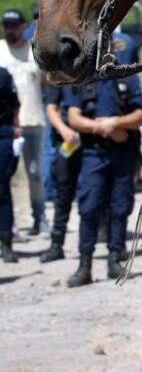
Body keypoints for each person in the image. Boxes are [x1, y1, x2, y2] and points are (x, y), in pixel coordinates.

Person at [61, 74, 142, 286]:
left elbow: (141, 116)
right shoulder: (82, 77)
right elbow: (73, 117)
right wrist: (104, 129)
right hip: (94, 153)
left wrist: (115, 122)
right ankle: (85, 265)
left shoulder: (127, 76)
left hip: (124, 152)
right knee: (89, 207)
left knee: (120, 207)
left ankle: (114, 259)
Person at [0, 8, 46, 235]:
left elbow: (48, 82)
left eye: (13, 26)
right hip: (6, 126)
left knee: (35, 173)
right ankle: (9, 224)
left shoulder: (33, 50)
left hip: (32, 120)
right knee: (5, 177)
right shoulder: (0, 50)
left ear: (22, 27)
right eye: (6, 26)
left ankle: (39, 218)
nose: (9, 30)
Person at [39, 82, 81, 263]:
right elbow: (51, 108)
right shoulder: (62, 74)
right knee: (63, 193)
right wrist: (63, 129)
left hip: (94, 140)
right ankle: (57, 243)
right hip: (68, 141)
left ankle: (105, 235)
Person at [0, 65, 19, 263]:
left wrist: (16, 128)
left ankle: (6, 241)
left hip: (2, 135)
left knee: (2, 190)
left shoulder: (3, 74)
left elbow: (15, 105)